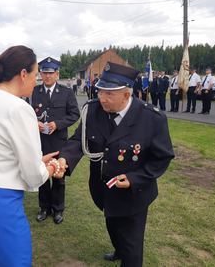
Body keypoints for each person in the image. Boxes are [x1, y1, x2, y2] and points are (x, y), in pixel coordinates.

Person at [0, 45, 66, 267]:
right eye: (35, 75)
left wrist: (37, 163)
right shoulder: (19, 108)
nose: (36, 81)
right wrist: (52, 167)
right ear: (23, 74)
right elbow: (34, 176)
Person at [58, 62, 174, 267]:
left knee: (132, 247)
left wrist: (133, 179)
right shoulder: (93, 111)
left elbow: (162, 157)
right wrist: (64, 159)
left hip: (133, 195)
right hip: (104, 189)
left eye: (109, 94)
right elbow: (79, 140)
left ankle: (126, 254)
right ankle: (119, 249)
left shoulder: (151, 119)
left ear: (127, 95)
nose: (101, 98)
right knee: (112, 225)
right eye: (100, 91)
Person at [31, 57, 79, 224]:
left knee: (58, 175)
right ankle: (44, 207)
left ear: (57, 74)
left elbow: (74, 115)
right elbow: (26, 113)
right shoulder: (33, 92)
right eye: (44, 73)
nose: (47, 76)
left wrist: (57, 124)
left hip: (59, 141)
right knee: (42, 176)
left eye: (51, 73)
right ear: (41, 74)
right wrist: (33, 122)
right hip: (40, 141)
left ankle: (58, 209)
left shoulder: (67, 93)